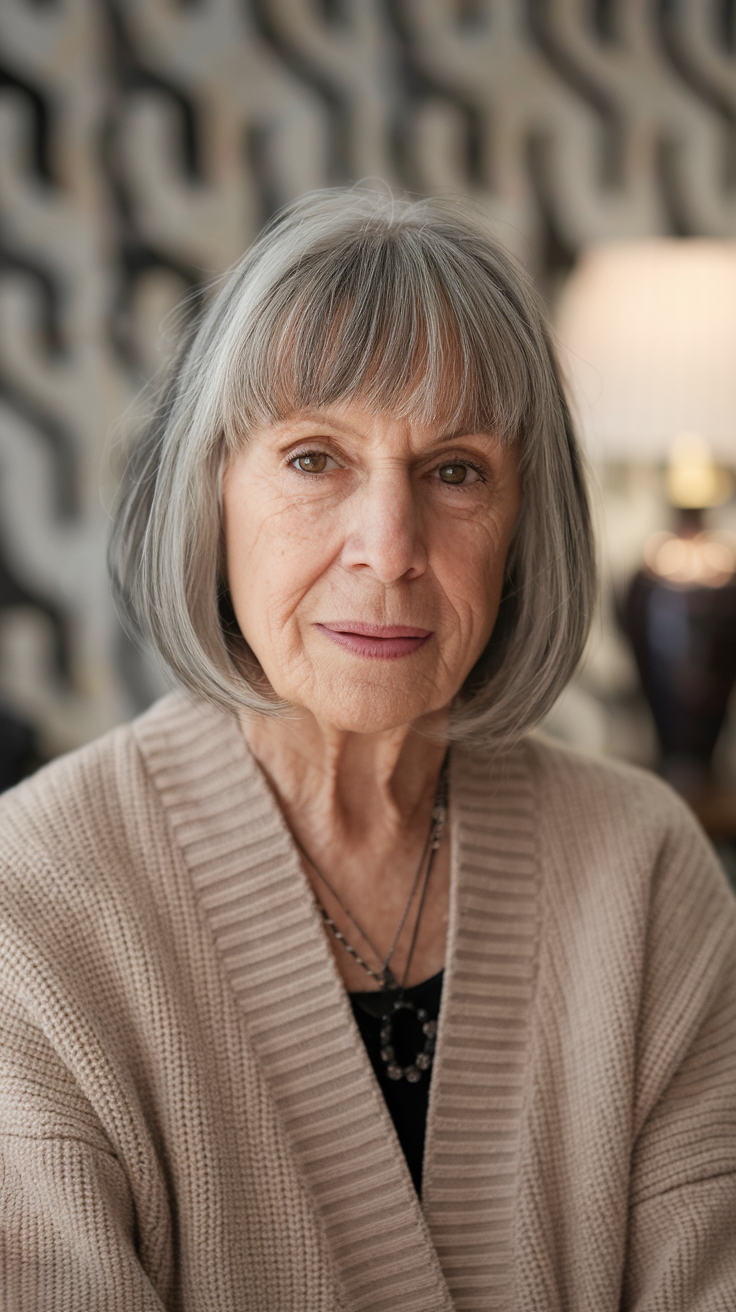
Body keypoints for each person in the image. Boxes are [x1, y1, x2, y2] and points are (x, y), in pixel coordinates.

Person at [0, 190, 734, 1312]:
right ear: (213, 497)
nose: (389, 549)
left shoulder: (643, 870)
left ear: (520, 527)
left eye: (455, 471)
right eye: (313, 459)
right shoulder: (33, 901)